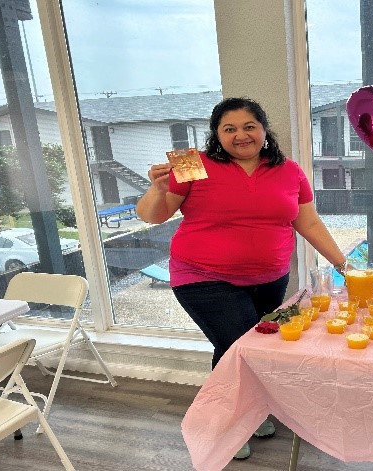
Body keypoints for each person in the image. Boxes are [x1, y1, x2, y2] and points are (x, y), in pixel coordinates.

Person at [135, 97, 348, 460]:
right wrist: (156, 190)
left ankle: (245, 412)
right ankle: (232, 424)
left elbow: (308, 222)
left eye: (249, 126)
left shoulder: (290, 170)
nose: (240, 135)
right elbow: (152, 216)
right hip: (201, 276)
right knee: (239, 348)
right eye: (229, 128)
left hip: (270, 278)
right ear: (216, 134)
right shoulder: (191, 164)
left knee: (247, 348)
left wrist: (345, 265)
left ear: (264, 129)